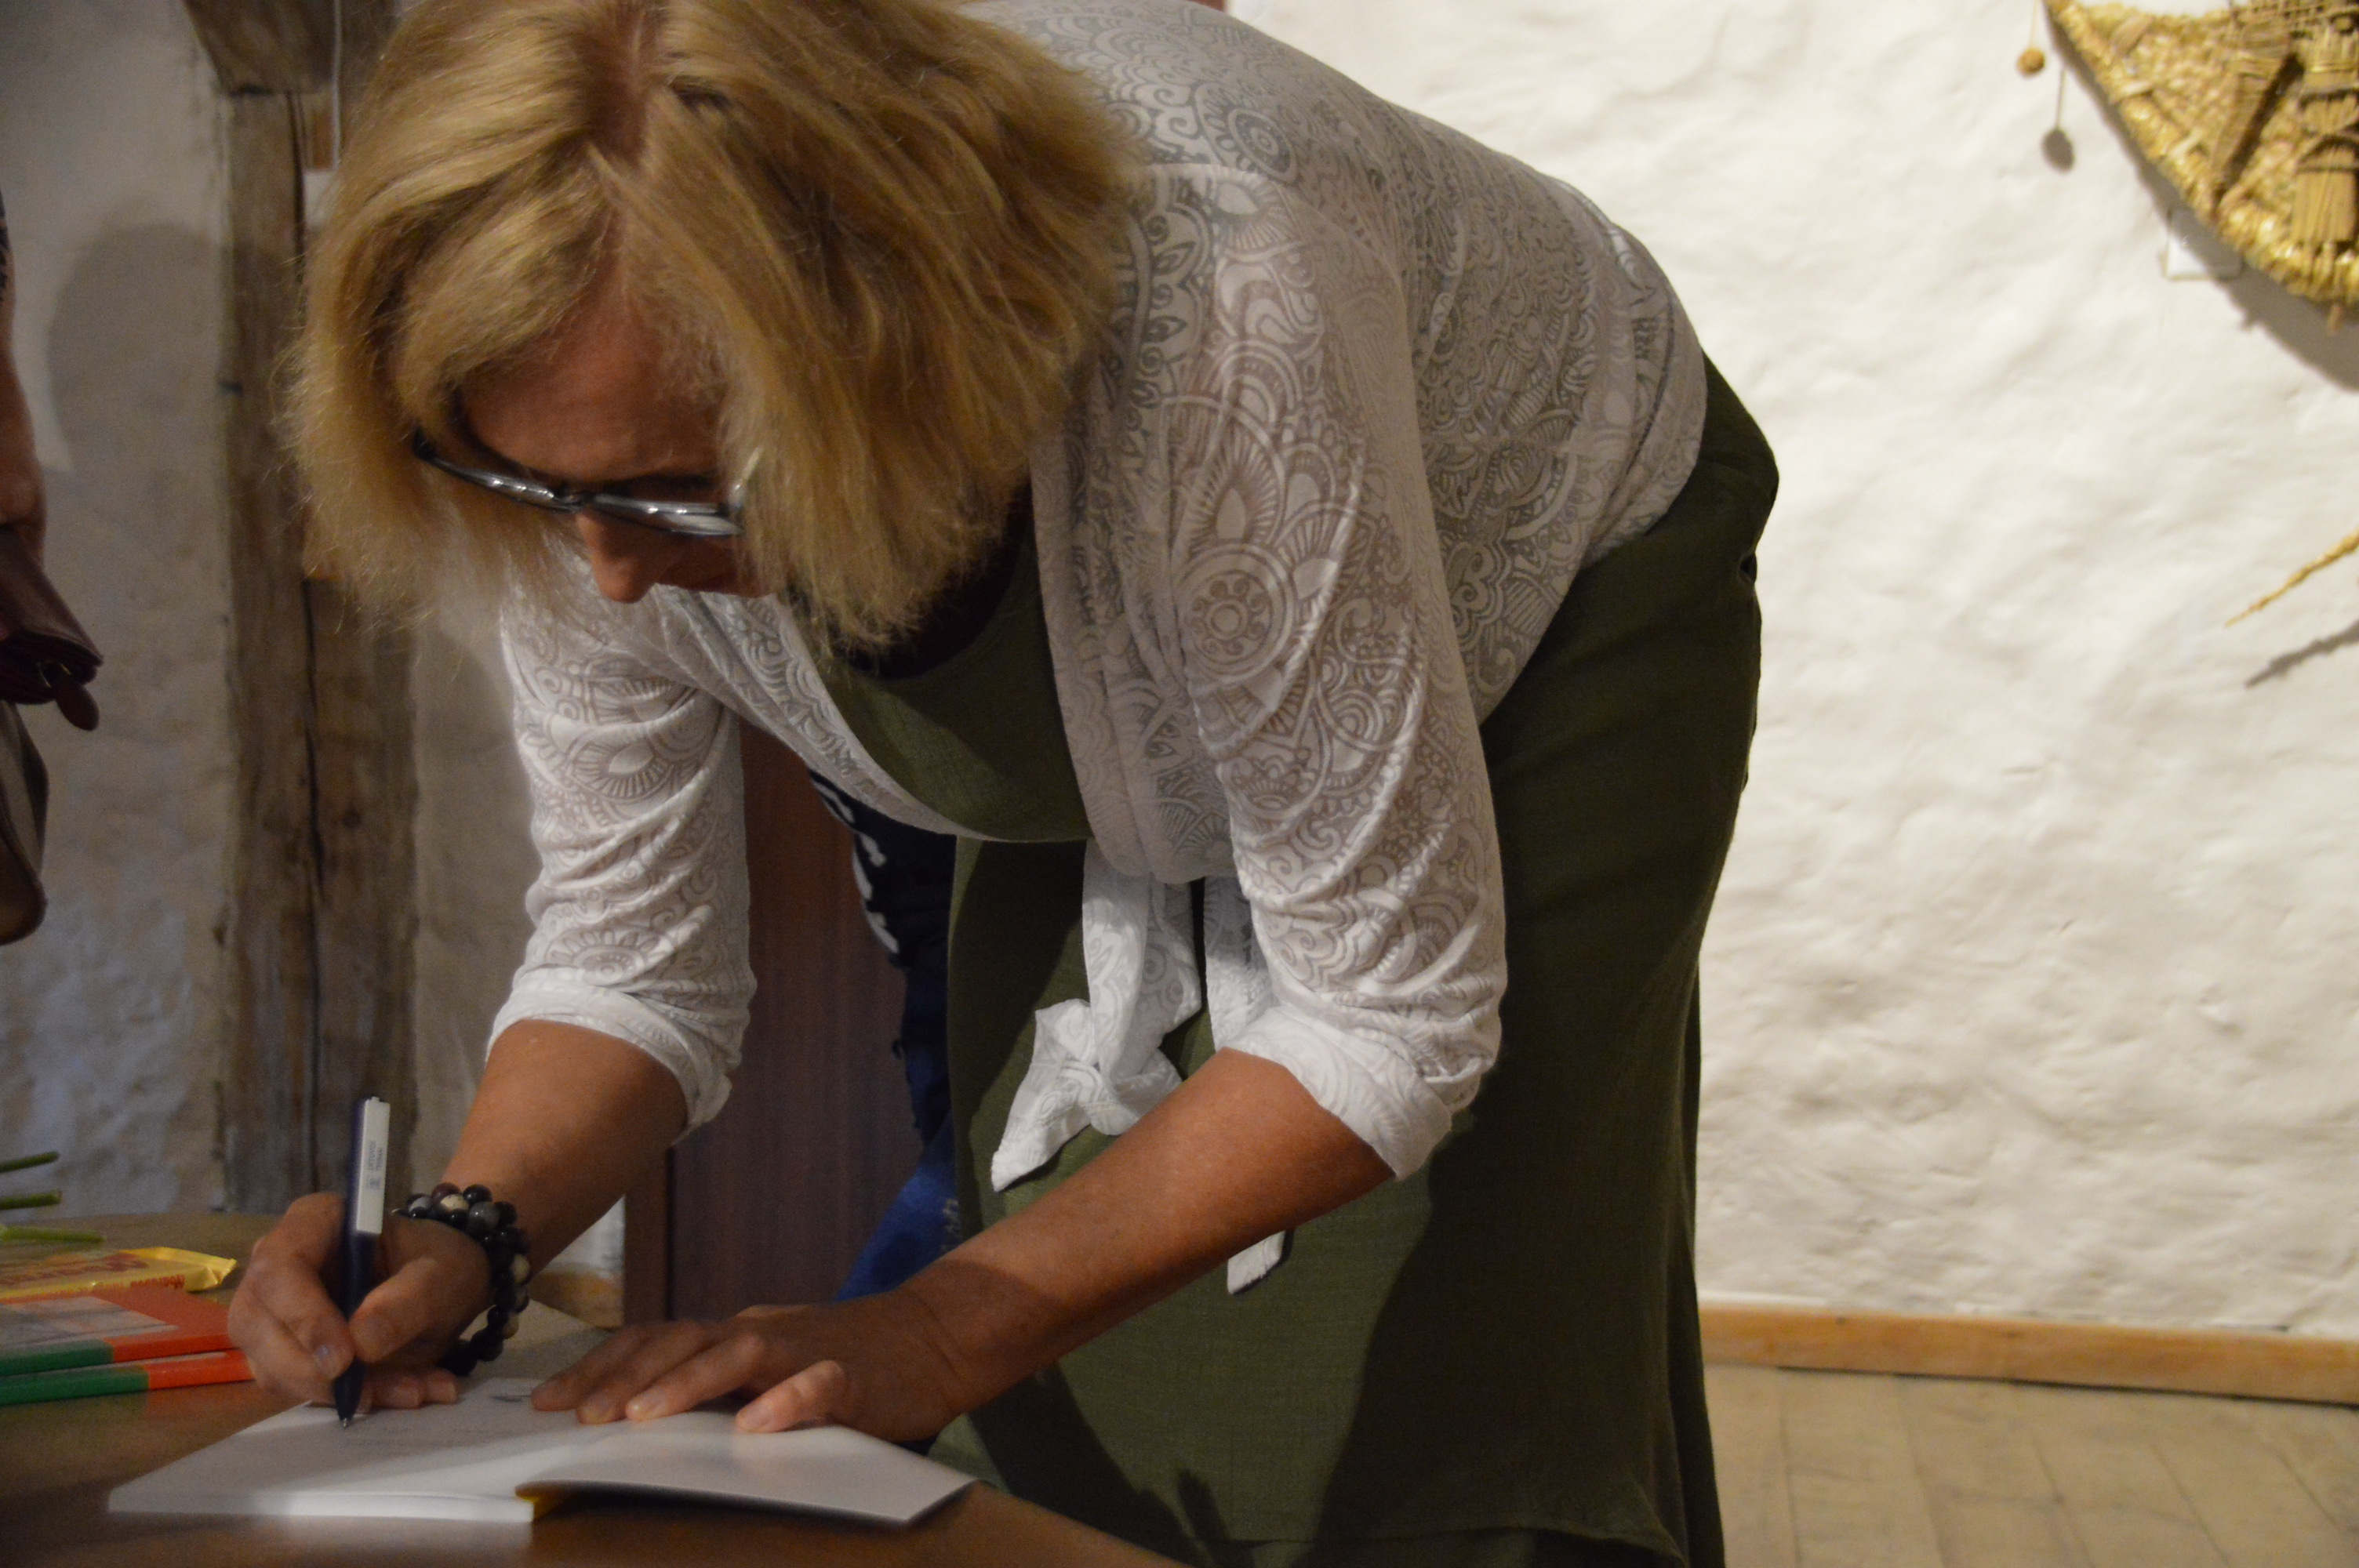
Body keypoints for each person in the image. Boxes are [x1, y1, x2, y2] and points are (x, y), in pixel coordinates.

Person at [227, 2, 1776, 1563]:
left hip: (1541, 548)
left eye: (681, 493)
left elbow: (1389, 1014)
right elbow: (632, 961)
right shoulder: (593, 402)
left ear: (895, 359)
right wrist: (468, 1235)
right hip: (1136, 526)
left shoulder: (1226, 297)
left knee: (1440, 1348)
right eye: (536, 487)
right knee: (1065, 1316)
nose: (611, 573)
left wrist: (931, 1328)